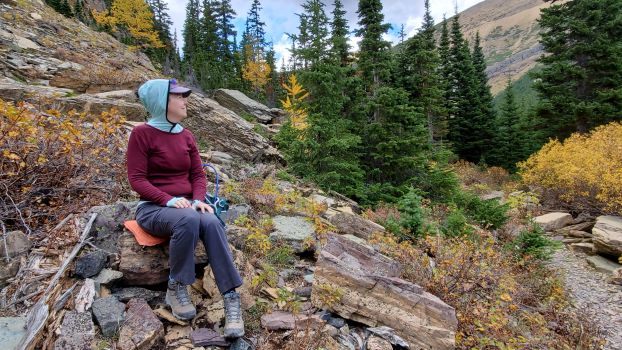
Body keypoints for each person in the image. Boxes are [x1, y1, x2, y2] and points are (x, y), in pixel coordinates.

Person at [126, 78, 244, 338]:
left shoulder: (186, 135)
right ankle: (176, 285)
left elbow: (197, 175)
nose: (184, 100)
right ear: (162, 101)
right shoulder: (141, 134)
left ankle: (231, 297)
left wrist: (199, 199)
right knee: (188, 220)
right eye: (178, 96)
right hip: (154, 208)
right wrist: (167, 199)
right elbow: (137, 180)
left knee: (212, 222)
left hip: (189, 206)